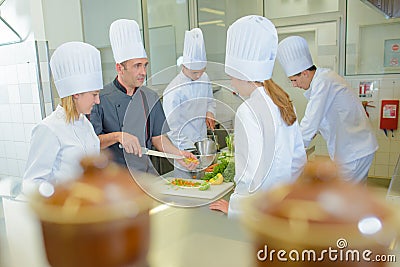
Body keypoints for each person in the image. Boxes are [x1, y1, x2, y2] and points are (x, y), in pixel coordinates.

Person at [209, 15, 307, 218]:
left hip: (258, 211)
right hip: (281, 205)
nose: (232, 84)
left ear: (241, 76)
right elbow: (298, 158)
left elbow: (249, 172)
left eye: (231, 78)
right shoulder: (283, 101)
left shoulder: (248, 110)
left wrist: (235, 209)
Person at [90, 19, 197, 174]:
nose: (143, 72)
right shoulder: (100, 99)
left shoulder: (150, 97)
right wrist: (117, 136)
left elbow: (158, 138)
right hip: (115, 180)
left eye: (145, 65)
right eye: (137, 66)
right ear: (120, 68)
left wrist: (178, 154)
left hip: (146, 175)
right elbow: (92, 144)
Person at [276, 36, 378, 183]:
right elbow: (318, 122)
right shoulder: (324, 79)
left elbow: (311, 122)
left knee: (345, 200)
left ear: (304, 73)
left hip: (353, 152)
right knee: (351, 198)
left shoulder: (323, 81)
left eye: (294, 80)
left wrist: (288, 152)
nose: (294, 85)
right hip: (354, 150)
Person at [23, 41, 103, 191]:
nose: (97, 101)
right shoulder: (48, 129)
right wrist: (62, 198)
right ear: (76, 94)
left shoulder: (85, 123)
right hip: (65, 210)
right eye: (94, 94)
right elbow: (31, 183)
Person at [163, 28, 216, 178]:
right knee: (188, 189)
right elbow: (172, 128)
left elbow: (210, 101)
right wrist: (190, 150)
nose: (199, 75)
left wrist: (210, 112)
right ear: (184, 66)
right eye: (194, 73)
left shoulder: (204, 78)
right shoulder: (173, 90)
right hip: (184, 149)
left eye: (202, 71)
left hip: (202, 143)